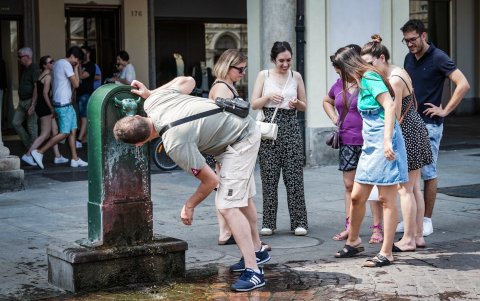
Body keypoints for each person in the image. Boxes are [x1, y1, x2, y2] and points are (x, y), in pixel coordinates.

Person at [113, 76, 270, 292]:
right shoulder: (154, 101)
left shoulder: (174, 143)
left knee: (227, 204)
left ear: (140, 144)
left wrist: (190, 205)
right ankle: (257, 251)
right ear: (140, 115)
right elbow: (189, 81)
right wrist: (153, 93)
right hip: (236, 129)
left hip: (241, 138)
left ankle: (254, 272)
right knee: (239, 199)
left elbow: (210, 181)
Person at [331, 46, 408, 267]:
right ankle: (354, 240)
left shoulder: (370, 77)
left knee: (386, 199)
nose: (340, 77)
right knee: (356, 196)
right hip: (370, 143)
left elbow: (390, 105)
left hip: (384, 141)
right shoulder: (363, 80)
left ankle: (387, 253)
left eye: (340, 72)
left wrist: (386, 141)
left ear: (348, 67)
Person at [361, 34, 433, 251]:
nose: (368, 70)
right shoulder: (399, 72)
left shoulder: (393, 79)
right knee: (414, 188)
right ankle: (418, 236)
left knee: (405, 189)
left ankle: (409, 239)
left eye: (370, 64)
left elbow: (396, 115)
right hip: (415, 128)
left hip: (407, 132)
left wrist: (386, 140)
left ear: (381, 58)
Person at [399, 19, 470, 237]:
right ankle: (412, 218)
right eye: (406, 40)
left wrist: (445, 110)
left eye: (413, 40)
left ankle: (427, 219)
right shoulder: (408, 59)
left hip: (430, 124)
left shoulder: (439, 57)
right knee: (409, 174)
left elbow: (463, 83)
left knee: (428, 173)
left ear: (423, 35)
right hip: (410, 122)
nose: (410, 44)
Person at [322, 44, 384, 244]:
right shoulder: (338, 84)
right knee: (349, 186)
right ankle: (350, 227)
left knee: (373, 186)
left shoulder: (367, 81)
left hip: (368, 139)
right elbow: (326, 101)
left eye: (339, 66)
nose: (338, 71)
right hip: (347, 140)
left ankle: (377, 228)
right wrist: (334, 119)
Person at [251, 41, 308, 236]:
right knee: (269, 178)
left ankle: (299, 222)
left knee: (294, 177)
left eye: (288, 60)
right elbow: (254, 103)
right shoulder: (264, 75)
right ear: (273, 59)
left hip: (291, 126)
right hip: (269, 129)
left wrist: (296, 103)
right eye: (281, 61)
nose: (285, 64)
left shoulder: (296, 76)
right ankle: (268, 222)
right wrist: (268, 97)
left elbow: (304, 105)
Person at [208, 49, 246, 246]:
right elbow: (222, 120)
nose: (243, 73)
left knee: (223, 186)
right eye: (240, 69)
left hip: (224, 143)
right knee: (224, 187)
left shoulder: (227, 85)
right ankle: (225, 232)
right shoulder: (223, 87)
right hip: (225, 144)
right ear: (228, 66)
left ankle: (226, 231)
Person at [31, 46, 88, 169]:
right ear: (73, 56)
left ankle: (75, 159)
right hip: (63, 104)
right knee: (65, 132)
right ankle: (39, 151)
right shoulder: (66, 64)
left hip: (63, 103)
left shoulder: (57, 63)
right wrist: (76, 68)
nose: (77, 62)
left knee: (72, 130)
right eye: (77, 60)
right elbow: (77, 84)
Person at [21, 56, 68, 166]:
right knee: (45, 134)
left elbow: (36, 92)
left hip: (41, 106)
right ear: (44, 65)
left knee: (55, 131)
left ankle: (57, 156)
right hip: (45, 107)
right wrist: (51, 108)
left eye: (53, 61)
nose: (53, 63)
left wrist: (33, 105)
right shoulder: (48, 77)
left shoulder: (40, 76)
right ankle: (28, 155)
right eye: (50, 62)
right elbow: (45, 94)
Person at [14, 47, 38, 153]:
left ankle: (33, 150)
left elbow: (37, 88)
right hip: (22, 102)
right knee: (15, 122)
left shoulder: (34, 68)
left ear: (27, 57)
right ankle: (30, 146)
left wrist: (33, 104)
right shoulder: (25, 69)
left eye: (20, 56)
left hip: (29, 102)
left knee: (32, 127)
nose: (19, 59)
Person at [75, 45, 96, 147]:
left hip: (86, 94)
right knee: (81, 118)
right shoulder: (81, 64)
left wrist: (78, 66)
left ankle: (79, 140)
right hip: (79, 94)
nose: (81, 55)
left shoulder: (91, 65)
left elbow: (81, 76)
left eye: (82, 53)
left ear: (88, 54)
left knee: (84, 118)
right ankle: (84, 138)